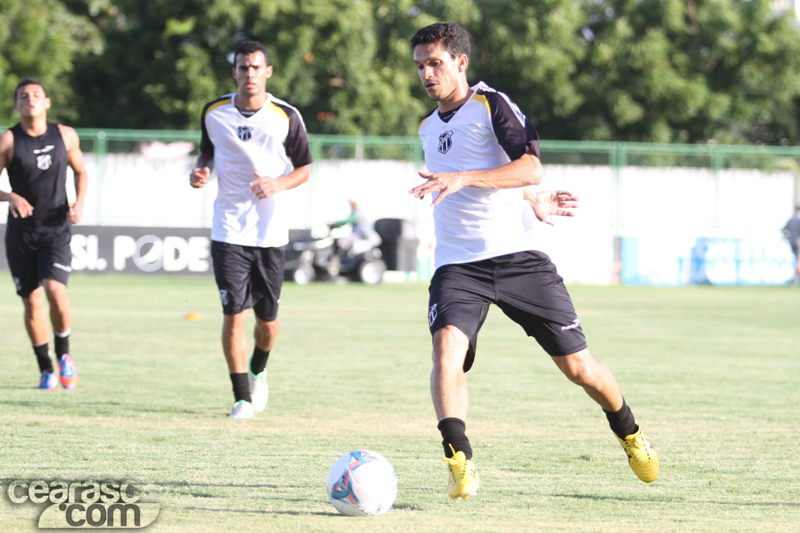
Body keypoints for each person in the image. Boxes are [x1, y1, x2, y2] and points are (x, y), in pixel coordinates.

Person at [409, 23, 659, 500]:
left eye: (435, 63)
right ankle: (459, 458)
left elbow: (529, 166)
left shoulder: (491, 104)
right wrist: (526, 198)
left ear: (461, 62)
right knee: (446, 351)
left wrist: (486, 183)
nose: (426, 73)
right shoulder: (427, 127)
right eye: (420, 65)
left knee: (579, 368)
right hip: (458, 265)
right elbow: (497, 183)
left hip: (519, 258)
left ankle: (630, 432)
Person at [189, 40, 313, 419]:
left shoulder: (285, 115)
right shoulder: (214, 112)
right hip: (228, 229)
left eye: (256, 68)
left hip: (269, 232)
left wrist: (277, 184)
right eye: (243, 68)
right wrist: (201, 170)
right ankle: (241, 397)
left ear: (268, 72)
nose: (250, 75)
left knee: (268, 324)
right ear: (235, 73)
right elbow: (207, 151)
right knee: (234, 316)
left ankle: (259, 369)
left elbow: (305, 167)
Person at [0, 78, 87, 391]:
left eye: (36, 95)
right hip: (22, 234)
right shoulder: (8, 140)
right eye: (24, 96)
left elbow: (81, 171)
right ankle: (46, 369)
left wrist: (79, 202)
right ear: (16, 105)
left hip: (55, 230)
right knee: (32, 302)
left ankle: (64, 354)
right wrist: (10, 196)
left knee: (55, 290)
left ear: (47, 102)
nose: (30, 100)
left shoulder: (65, 135)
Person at [783, 206, 800, 284]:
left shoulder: (791, 220)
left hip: (792, 242)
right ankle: (793, 278)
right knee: (798, 261)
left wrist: (788, 238)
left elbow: (784, 230)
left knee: (797, 260)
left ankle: (793, 278)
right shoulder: (798, 220)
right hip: (798, 243)